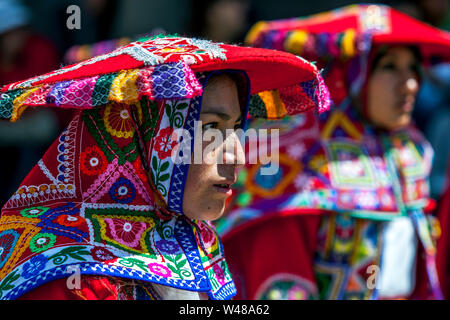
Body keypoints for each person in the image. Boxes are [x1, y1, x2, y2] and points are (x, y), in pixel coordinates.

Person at [0, 34, 329, 300]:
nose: (237, 156)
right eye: (210, 128)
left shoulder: (196, 243)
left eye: (235, 130)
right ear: (143, 135)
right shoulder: (66, 274)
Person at [216, 4, 450, 300]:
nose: (411, 85)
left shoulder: (411, 152)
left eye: (413, 69)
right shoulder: (295, 155)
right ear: (348, 74)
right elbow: (278, 278)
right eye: (390, 67)